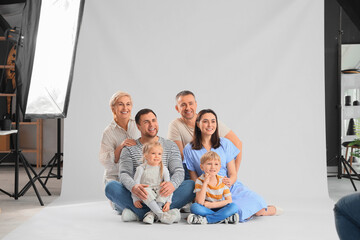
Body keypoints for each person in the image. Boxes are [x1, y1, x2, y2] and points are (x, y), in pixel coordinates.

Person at [183, 109, 282, 222]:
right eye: (205, 121)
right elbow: (194, 177)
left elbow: (233, 174)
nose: (210, 125)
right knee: (196, 208)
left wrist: (230, 182)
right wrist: (202, 190)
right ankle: (225, 216)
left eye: (213, 121)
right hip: (207, 192)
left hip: (229, 188)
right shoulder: (189, 149)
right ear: (198, 124)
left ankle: (270, 210)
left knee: (255, 208)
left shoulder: (225, 143)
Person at [105, 108, 195, 224]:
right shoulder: (129, 148)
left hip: (161, 193)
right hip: (141, 195)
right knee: (111, 187)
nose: (151, 125)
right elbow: (124, 174)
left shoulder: (170, 145)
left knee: (191, 185)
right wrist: (134, 187)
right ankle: (159, 214)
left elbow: (178, 171)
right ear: (138, 126)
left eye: (153, 120)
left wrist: (172, 185)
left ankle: (142, 214)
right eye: (146, 122)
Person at [167, 90, 243, 174]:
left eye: (190, 103)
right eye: (183, 105)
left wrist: (233, 175)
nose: (187, 108)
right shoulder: (175, 125)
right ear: (177, 108)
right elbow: (181, 156)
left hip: (218, 174)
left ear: (196, 104)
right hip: (193, 170)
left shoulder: (211, 122)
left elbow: (237, 143)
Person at [99, 91, 140, 212]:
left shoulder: (138, 124)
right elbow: (105, 162)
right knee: (115, 192)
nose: (125, 108)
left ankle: (132, 209)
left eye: (128, 104)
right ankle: (124, 206)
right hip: (116, 178)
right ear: (113, 107)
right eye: (121, 104)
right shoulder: (108, 132)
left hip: (136, 176)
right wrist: (120, 147)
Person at [187, 151, 239, 224]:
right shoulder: (199, 181)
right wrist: (205, 183)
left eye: (216, 164)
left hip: (220, 207)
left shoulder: (223, 180)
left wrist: (212, 205)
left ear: (220, 167)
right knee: (195, 207)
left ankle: (207, 219)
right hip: (205, 208)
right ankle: (224, 218)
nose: (213, 167)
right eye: (209, 164)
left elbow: (229, 201)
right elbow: (200, 202)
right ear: (202, 167)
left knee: (234, 207)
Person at [132, 142, 174, 224]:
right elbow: (135, 186)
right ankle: (161, 215)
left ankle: (151, 215)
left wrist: (169, 202)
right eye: (153, 153)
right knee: (146, 190)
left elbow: (169, 187)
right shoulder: (141, 168)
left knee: (165, 188)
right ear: (146, 155)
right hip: (146, 193)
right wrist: (135, 199)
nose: (157, 156)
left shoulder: (164, 169)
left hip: (158, 193)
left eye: (159, 154)